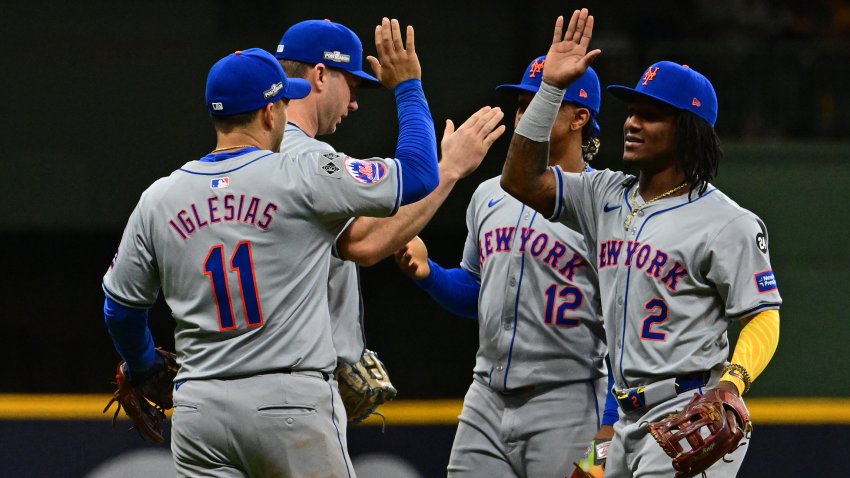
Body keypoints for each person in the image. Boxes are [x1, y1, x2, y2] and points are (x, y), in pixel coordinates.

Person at [101, 36, 440, 477]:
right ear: (268, 112)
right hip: (290, 401)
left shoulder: (159, 198)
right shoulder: (303, 172)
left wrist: (144, 364)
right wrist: (410, 87)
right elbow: (418, 173)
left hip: (199, 409)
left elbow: (121, 309)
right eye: (284, 102)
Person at [500, 9, 781, 477]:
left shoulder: (727, 221)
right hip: (625, 418)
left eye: (650, 116)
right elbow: (520, 179)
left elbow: (762, 314)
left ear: (687, 129)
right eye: (631, 111)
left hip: (690, 410)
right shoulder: (603, 194)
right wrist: (549, 91)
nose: (632, 123)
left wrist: (733, 383)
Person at [394, 56, 618, 477]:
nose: (523, 115)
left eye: (540, 102)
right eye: (521, 104)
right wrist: (430, 275)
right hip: (486, 395)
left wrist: (609, 424)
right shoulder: (488, 195)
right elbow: (480, 292)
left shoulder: (606, 203)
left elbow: (624, 329)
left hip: (567, 399)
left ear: (580, 118)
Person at [275, 19, 505, 373]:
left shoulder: (254, 155)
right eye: (352, 84)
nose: (353, 103)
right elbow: (366, 242)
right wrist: (411, 90)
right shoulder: (309, 159)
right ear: (320, 76)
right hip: (292, 380)